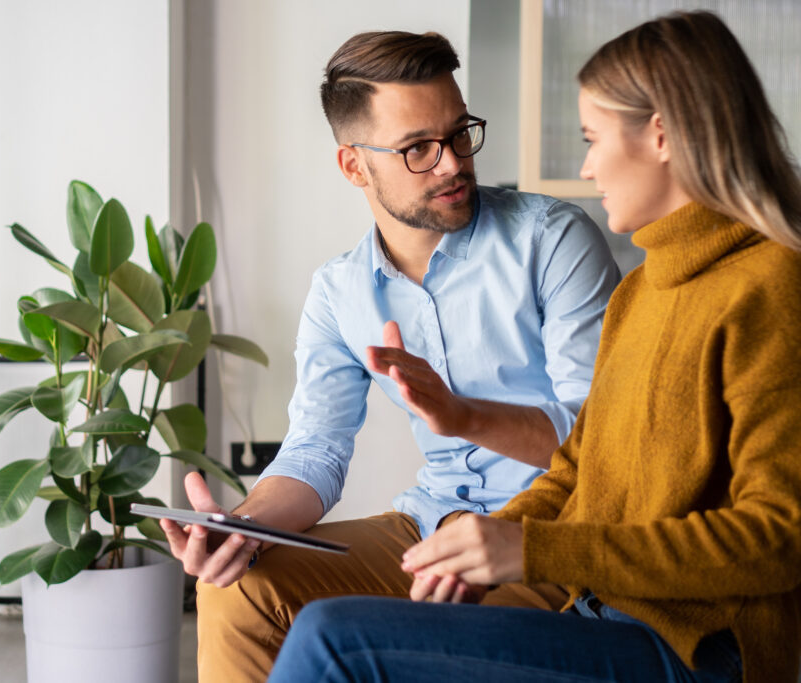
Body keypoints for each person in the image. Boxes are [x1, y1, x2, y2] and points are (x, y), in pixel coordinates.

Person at [267, 10, 801, 683]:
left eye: (592, 137)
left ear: (660, 135)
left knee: (336, 641)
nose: (584, 164)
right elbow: (580, 468)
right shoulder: (642, 292)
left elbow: (780, 538)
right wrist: (482, 547)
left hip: (699, 651)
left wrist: (529, 547)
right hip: (602, 616)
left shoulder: (771, 286)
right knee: (297, 611)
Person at [159, 30, 620, 682]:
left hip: (544, 536)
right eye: (418, 149)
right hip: (427, 524)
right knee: (237, 585)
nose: (453, 163)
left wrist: (463, 414)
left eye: (459, 133)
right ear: (353, 165)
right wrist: (242, 526)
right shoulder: (340, 290)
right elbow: (315, 450)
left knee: (399, 639)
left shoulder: (551, 241)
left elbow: (604, 441)